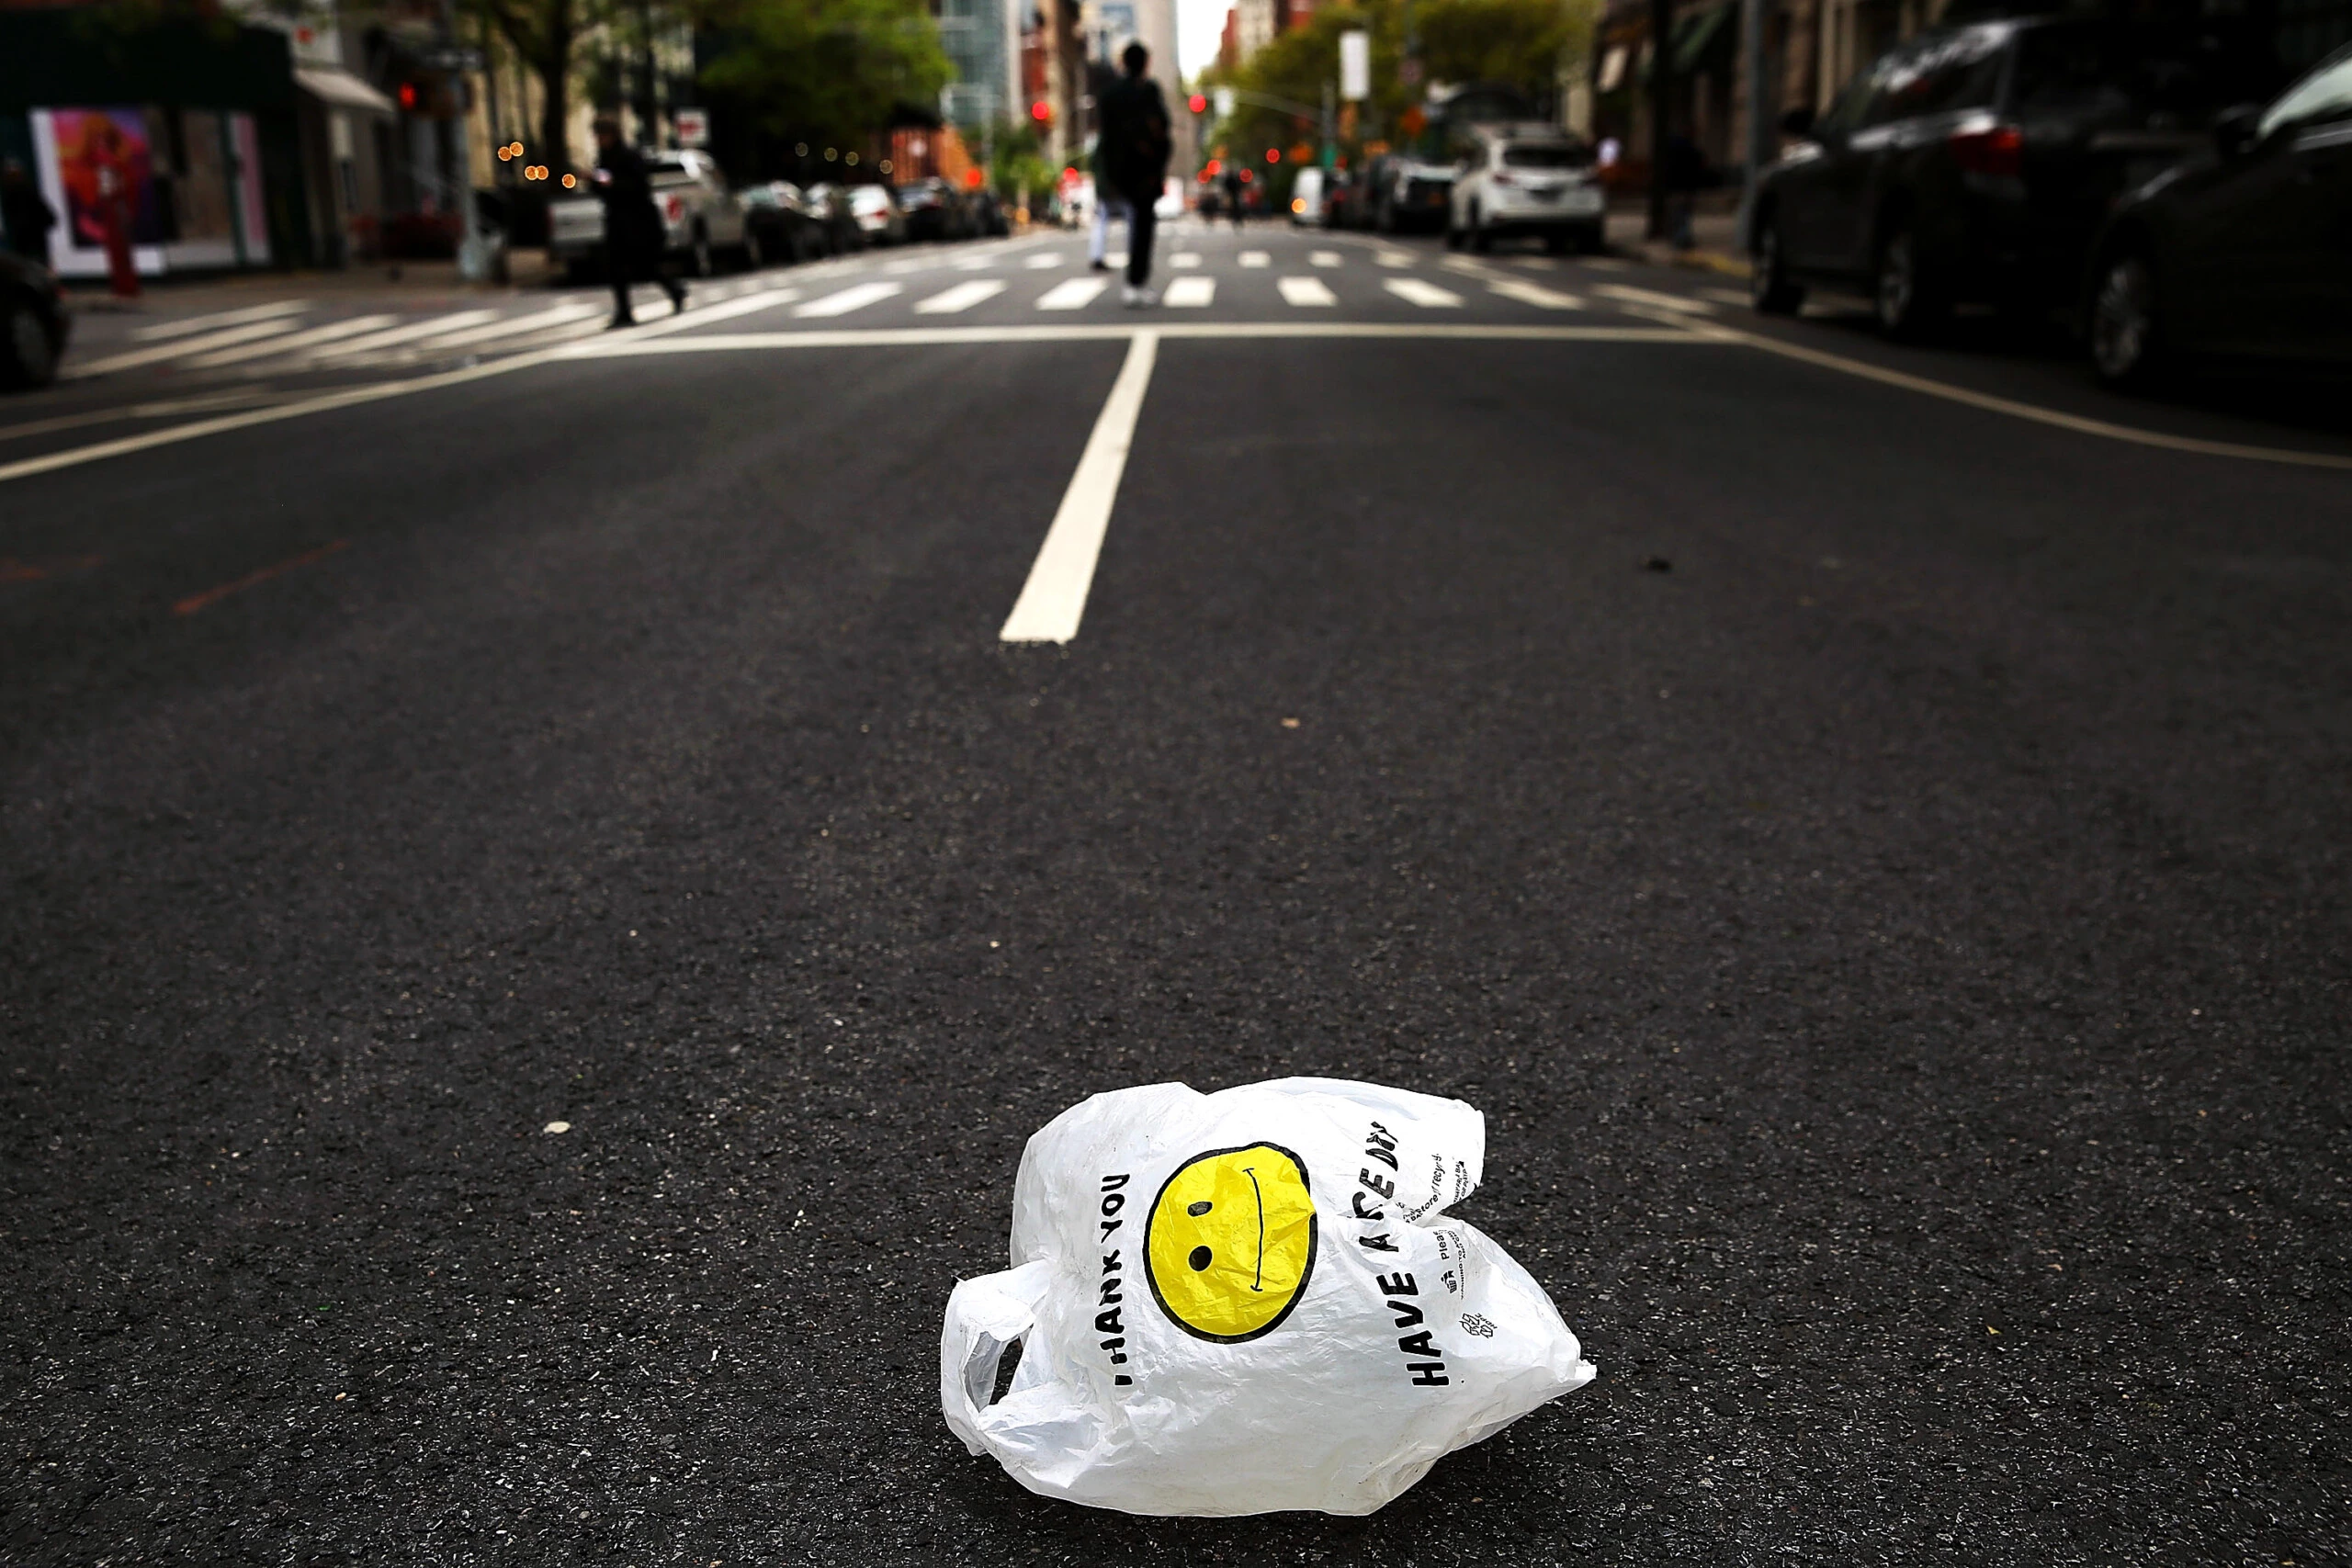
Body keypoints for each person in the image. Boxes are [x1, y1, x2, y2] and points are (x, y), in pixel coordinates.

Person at [1095, 41, 1172, 307]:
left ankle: (1135, 283)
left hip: (1118, 172)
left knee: (1111, 221)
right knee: (1142, 228)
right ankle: (1135, 282)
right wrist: (1158, 166)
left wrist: (1107, 175)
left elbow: (1104, 139)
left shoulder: (1108, 95)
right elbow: (1162, 129)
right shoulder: (1148, 91)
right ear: (1145, 63)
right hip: (1145, 171)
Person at [590, 118, 684, 328]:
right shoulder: (604, 157)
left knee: (645, 266)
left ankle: (674, 289)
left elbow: (639, 186)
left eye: (601, 136)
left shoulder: (629, 155)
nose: (598, 140)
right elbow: (601, 189)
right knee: (615, 267)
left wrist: (613, 183)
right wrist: (595, 182)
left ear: (612, 135)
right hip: (616, 218)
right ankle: (624, 311)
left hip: (638, 219)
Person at [2, 157, 58, 270]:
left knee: (36, 263)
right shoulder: (10, 195)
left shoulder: (27, 192)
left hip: (32, 236)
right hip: (26, 238)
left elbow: (44, 212)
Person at [1220, 165, 1244, 231]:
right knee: (1233, 208)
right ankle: (1235, 219)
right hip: (1232, 195)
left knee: (1235, 208)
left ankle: (1236, 219)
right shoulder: (1232, 178)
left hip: (1234, 195)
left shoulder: (1234, 178)